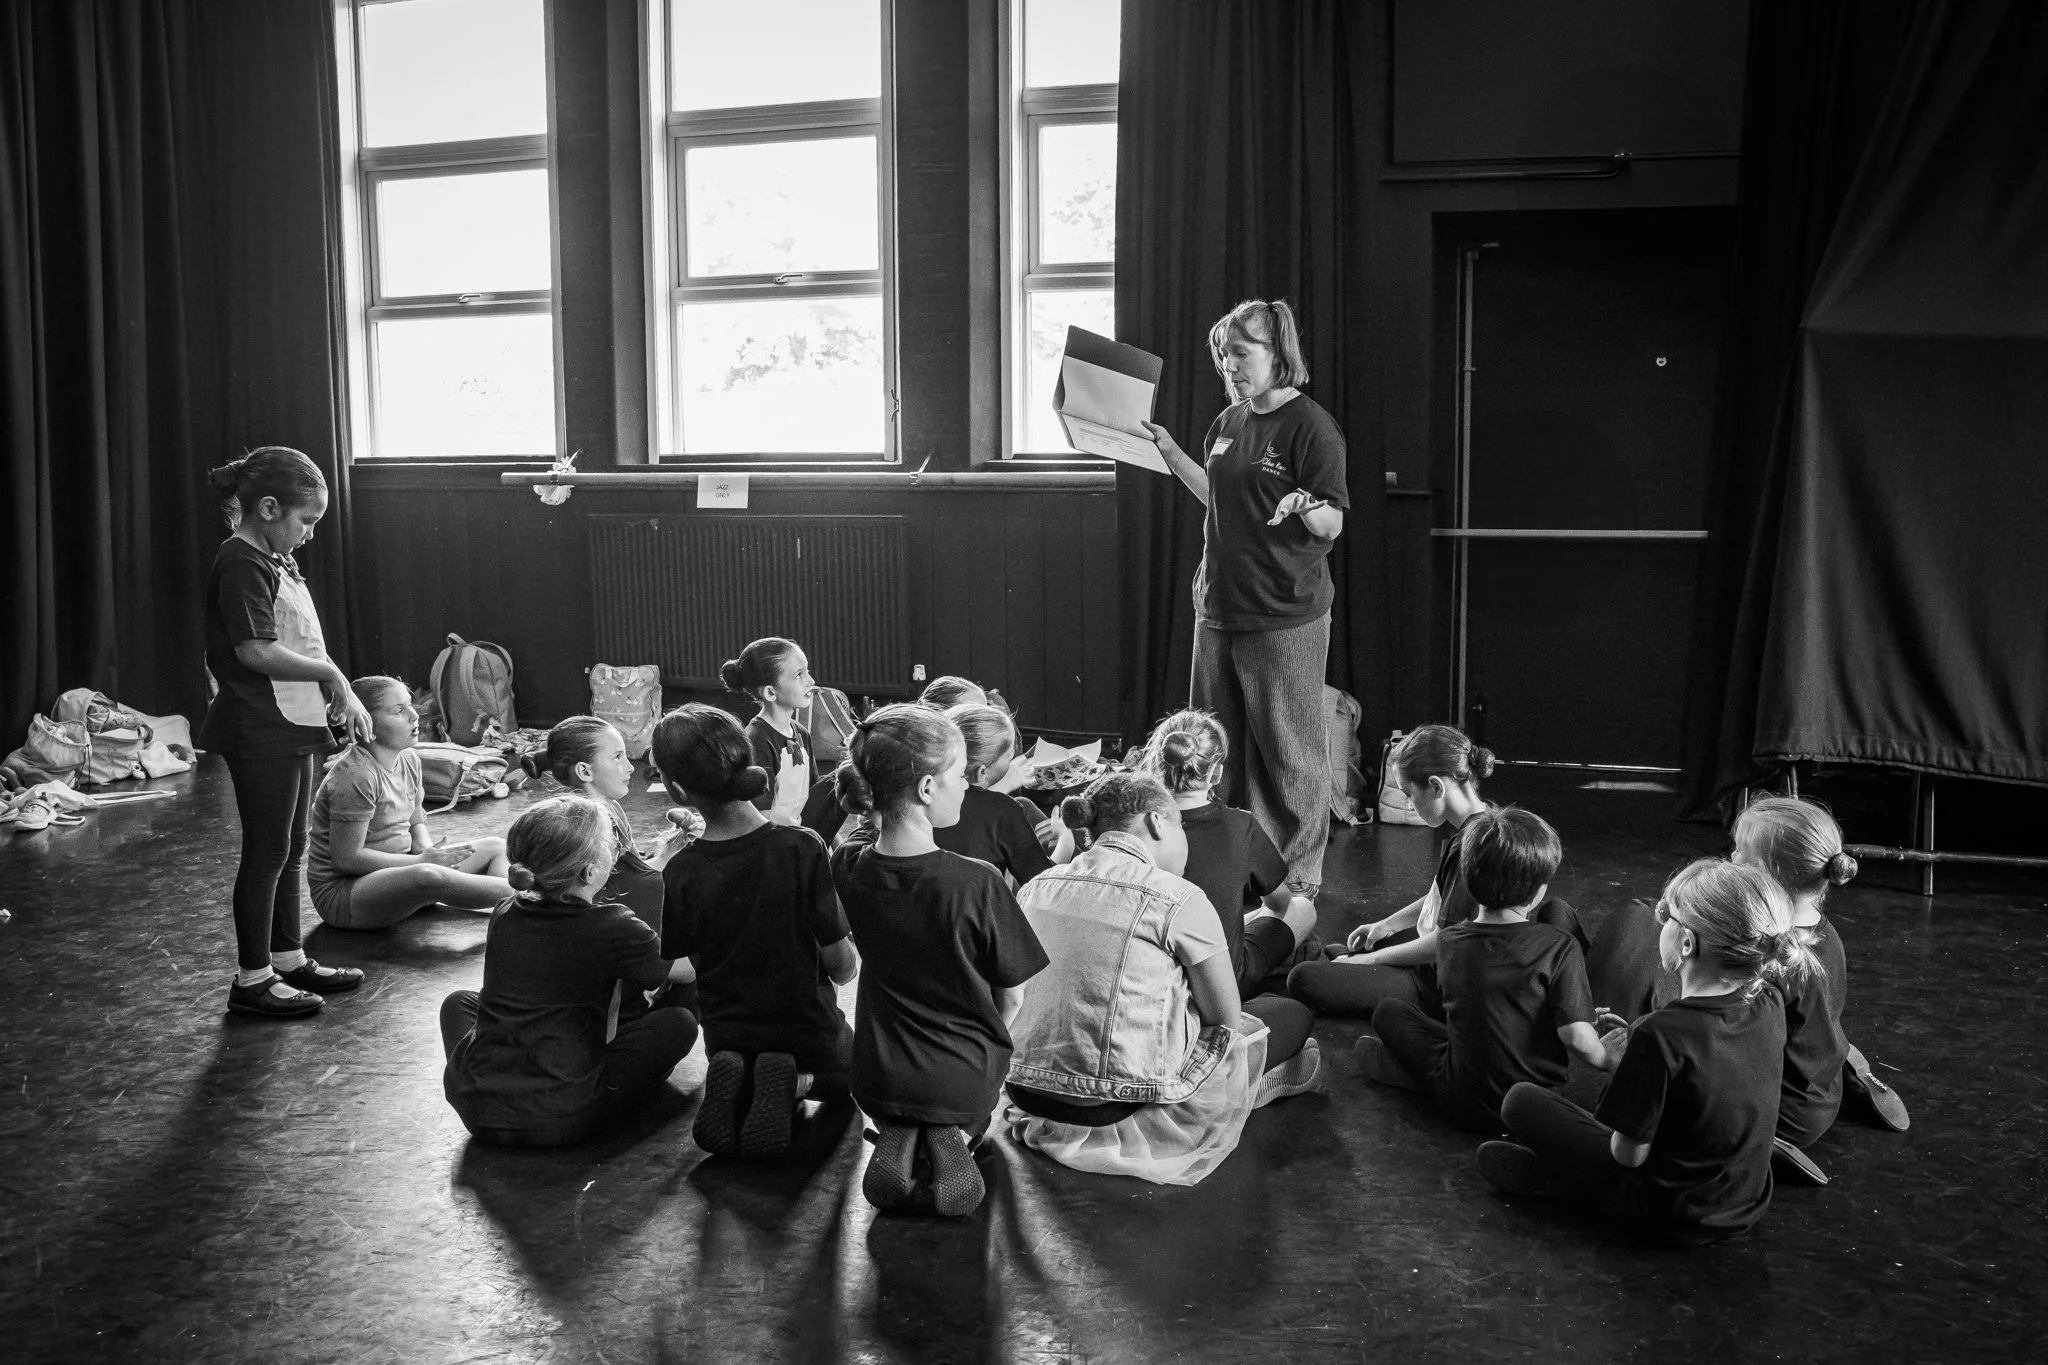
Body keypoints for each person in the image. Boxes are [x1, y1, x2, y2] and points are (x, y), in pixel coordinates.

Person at [1475, 858, 1818, 1247]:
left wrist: (1633, 1070)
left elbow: (1628, 1155)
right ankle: (1572, 1181)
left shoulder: (1661, 1036)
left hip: (1668, 1214)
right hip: (1742, 1200)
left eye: (1665, 915)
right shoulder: (1770, 1000)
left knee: (1521, 1101)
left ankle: (1574, 1185)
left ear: (1686, 943)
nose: (1658, 922)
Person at [1005, 772, 1324, 1186]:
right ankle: (1239, 1093)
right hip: (1114, 1105)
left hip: (1027, 1091)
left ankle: (1249, 1084)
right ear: (1158, 822)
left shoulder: (1035, 888)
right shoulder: (1177, 896)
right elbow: (1224, 1022)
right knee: (1288, 1013)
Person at [1142, 299, 1349, 898]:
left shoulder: (1311, 426)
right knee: (1215, 749)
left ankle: (1298, 885)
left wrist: (1306, 506)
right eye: (1223, 354)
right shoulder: (1228, 423)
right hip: (1219, 610)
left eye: (1241, 351)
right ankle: (1226, 869)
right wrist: (1173, 454)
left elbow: (1333, 523)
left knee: (1290, 756)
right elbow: (1221, 499)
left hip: (1283, 613)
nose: (1229, 365)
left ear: (1278, 352)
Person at [830, 704, 1049, 1216]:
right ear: (927, 789)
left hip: (878, 1075)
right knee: (978, 1084)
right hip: (963, 1079)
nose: (967, 788)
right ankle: (958, 1136)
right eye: (958, 776)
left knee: (905, 1101)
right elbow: (1013, 994)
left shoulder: (848, 863)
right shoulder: (977, 882)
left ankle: (901, 1132)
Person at [198, 447, 373, 1018]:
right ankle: (252, 979)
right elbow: (254, 650)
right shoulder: (240, 561)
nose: (309, 535)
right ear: (268, 508)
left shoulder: (275, 561)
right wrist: (331, 675)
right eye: (306, 522)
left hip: (292, 722)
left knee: (291, 848)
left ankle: (287, 956)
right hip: (259, 727)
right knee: (267, 851)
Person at [653, 704, 858, 1162]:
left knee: (742, 1050)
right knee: (860, 1074)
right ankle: (795, 1082)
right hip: (808, 1031)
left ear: (678, 789)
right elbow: (842, 969)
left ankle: (740, 1075)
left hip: (728, 1035)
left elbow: (695, 969)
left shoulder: (682, 871)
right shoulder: (801, 847)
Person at [441, 795, 700, 1148]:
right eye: (612, 846)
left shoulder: (505, 910)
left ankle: (493, 1087)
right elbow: (687, 972)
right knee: (679, 1022)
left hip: (475, 1108)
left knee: (459, 1002)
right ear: (593, 872)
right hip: (560, 1116)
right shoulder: (613, 925)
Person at [1354, 807, 1610, 1132]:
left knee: (1389, 1012)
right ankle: (1420, 1076)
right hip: (1531, 1105)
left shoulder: (1448, 941)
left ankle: (1414, 1075)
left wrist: (1371, 956)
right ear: (1537, 891)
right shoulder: (1560, 946)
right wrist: (1607, 1056)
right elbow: (1576, 1038)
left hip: (1460, 1100)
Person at [1734, 796, 1910, 1172]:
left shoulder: (1770, 959)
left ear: (1764, 872)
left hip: (1785, 1116)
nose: (1731, 859)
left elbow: (1738, 1050)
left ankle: (1760, 1146)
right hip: (1821, 1090)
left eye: (1740, 854)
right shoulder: (1824, 935)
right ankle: (1850, 1075)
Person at [1287, 725, 1489, 1016]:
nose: (1409, 803)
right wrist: (1386, 926)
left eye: (1409, 794)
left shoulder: (1472, 844)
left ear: (1436, 786)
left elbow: (1447, 941)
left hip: (1438, 981)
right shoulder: (1480, 822)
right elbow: (1442, 895)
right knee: (1343, 952)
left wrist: (1371, 961)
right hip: (1439, 956)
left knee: (1304, 977)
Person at [1133, 709, 1317, 997]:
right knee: (1302, 907)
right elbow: (1280, 904)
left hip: (1150, 977)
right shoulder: (1240, 825)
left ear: (1157, 763)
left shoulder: (1135, 826)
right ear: (1216, 771)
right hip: (1220, 983)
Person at [306, 676, 511, 931]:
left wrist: (431, 853)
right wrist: (423, 862)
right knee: (427, 875)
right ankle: (528, 892)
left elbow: (415, 824)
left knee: (496, 846)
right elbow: (347, 859)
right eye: (398, 711)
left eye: (410, 705)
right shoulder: (357, 775)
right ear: (363, 724)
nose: (414, 716)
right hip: (346, 897)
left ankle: (509, 901)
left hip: (402, 870)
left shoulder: (410, 759)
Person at [933, 702, 1064, 883]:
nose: (1013, 762)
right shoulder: (1002, 810)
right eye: (1009, 756)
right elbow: (1040, 883)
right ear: (982, 772)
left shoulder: (922, 798)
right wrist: (1065, 840)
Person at [721, 636, 815, 827]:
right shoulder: (757, 740)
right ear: (771, 693)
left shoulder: (801, 732)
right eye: (799, 675)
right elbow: (761, 819)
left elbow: (815, 798)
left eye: (808, 671)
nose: (811, 681)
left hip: (800, 837)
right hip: (772, 843)